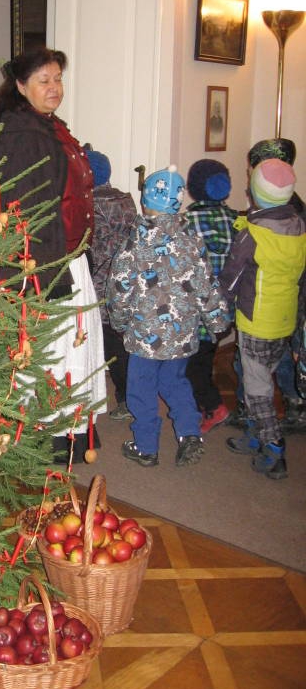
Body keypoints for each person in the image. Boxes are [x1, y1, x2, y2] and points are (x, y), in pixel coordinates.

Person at [0, 47, 107, 464]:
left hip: (67, 257)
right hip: (44, 265)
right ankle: (46, 440)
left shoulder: (49, 127)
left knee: (72, 348)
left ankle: (70, 432)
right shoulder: (22, 136)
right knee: (51, 352)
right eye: (44, 80)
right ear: (21, 86)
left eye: (58, 79)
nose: (54, 88)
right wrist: (43, 280)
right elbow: (22, 214)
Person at [107, 167, 230, 467]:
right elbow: (206, 285)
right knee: (176, 383)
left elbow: (119, 289)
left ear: (146, 203)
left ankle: (146, 447)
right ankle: (189, 433)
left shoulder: (134, 243)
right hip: (181, 335)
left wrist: (118, 322)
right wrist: (217, 321)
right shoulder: (192, 241)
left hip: (144, 340)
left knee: (141, 390)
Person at [220, 159, 306, 480]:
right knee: (261, 375)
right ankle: (255, 434)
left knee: (257, 389)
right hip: (285, 319)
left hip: (256, 321)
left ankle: (273, 446)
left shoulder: (252, 234)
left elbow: (230, 279)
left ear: (255, 192)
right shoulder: (299, 227)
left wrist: (217, 309)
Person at [184, 159, 238, 433]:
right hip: (224, 310)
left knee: (193, 367)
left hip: (196, 312)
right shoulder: (236, 220)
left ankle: (214, 407)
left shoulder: (188, 222)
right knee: (205, 358)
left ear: (193, 188)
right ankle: (200, 405)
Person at [87, 148, 137, 420]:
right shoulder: (127, 200)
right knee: (125, 341)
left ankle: (127, 398)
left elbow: (92, 248)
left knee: (110, 344)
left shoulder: (90, 206)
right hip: (128, 282)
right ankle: (131, 395)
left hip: (102, 284)